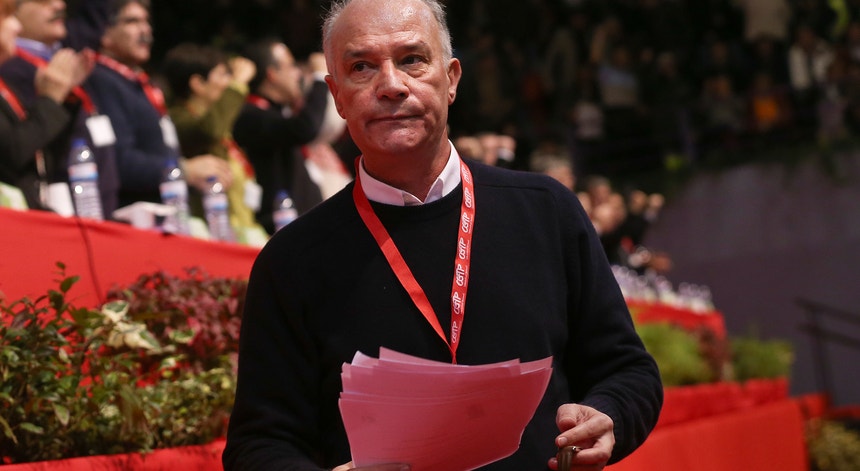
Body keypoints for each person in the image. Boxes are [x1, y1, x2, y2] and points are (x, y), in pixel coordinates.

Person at [224, 1, 662, 470]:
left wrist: (608, 415)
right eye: (361, 67)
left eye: (412, 59)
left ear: (451, 79)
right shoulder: (292, 260)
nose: (391, 85)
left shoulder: (546, 212)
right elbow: (259, 443)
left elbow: (627, 370)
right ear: (337, 96)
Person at [86, 0, 231, 209]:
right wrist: (183, 170)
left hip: (162, 208)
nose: (145, 30)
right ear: (104, 32)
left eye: (146, 22)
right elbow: (118, 159)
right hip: (130, 213)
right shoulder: (101, 79)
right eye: (132, 21)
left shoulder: (139, 83)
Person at [0, 0, 118, 215]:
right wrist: (51, 99)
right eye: (9, 17)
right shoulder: (14, 70)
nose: (16, 27)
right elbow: (11, 154)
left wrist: (64, 98)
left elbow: (42, 151)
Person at [163, 42, 267, 244]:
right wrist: (237, 84)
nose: (228, 82)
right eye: (222, 75)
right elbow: (209, 130)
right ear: (197, 83)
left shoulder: (219, 124)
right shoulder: (178, 118)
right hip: (206, 234)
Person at [232, 38, 330, 234]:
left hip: (304, 226)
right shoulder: (250, 115)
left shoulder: (276, 112)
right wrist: (320, 78)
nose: (298, 73)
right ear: (272, 74)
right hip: (282, 231)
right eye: (291, 66)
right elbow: (305, 127)